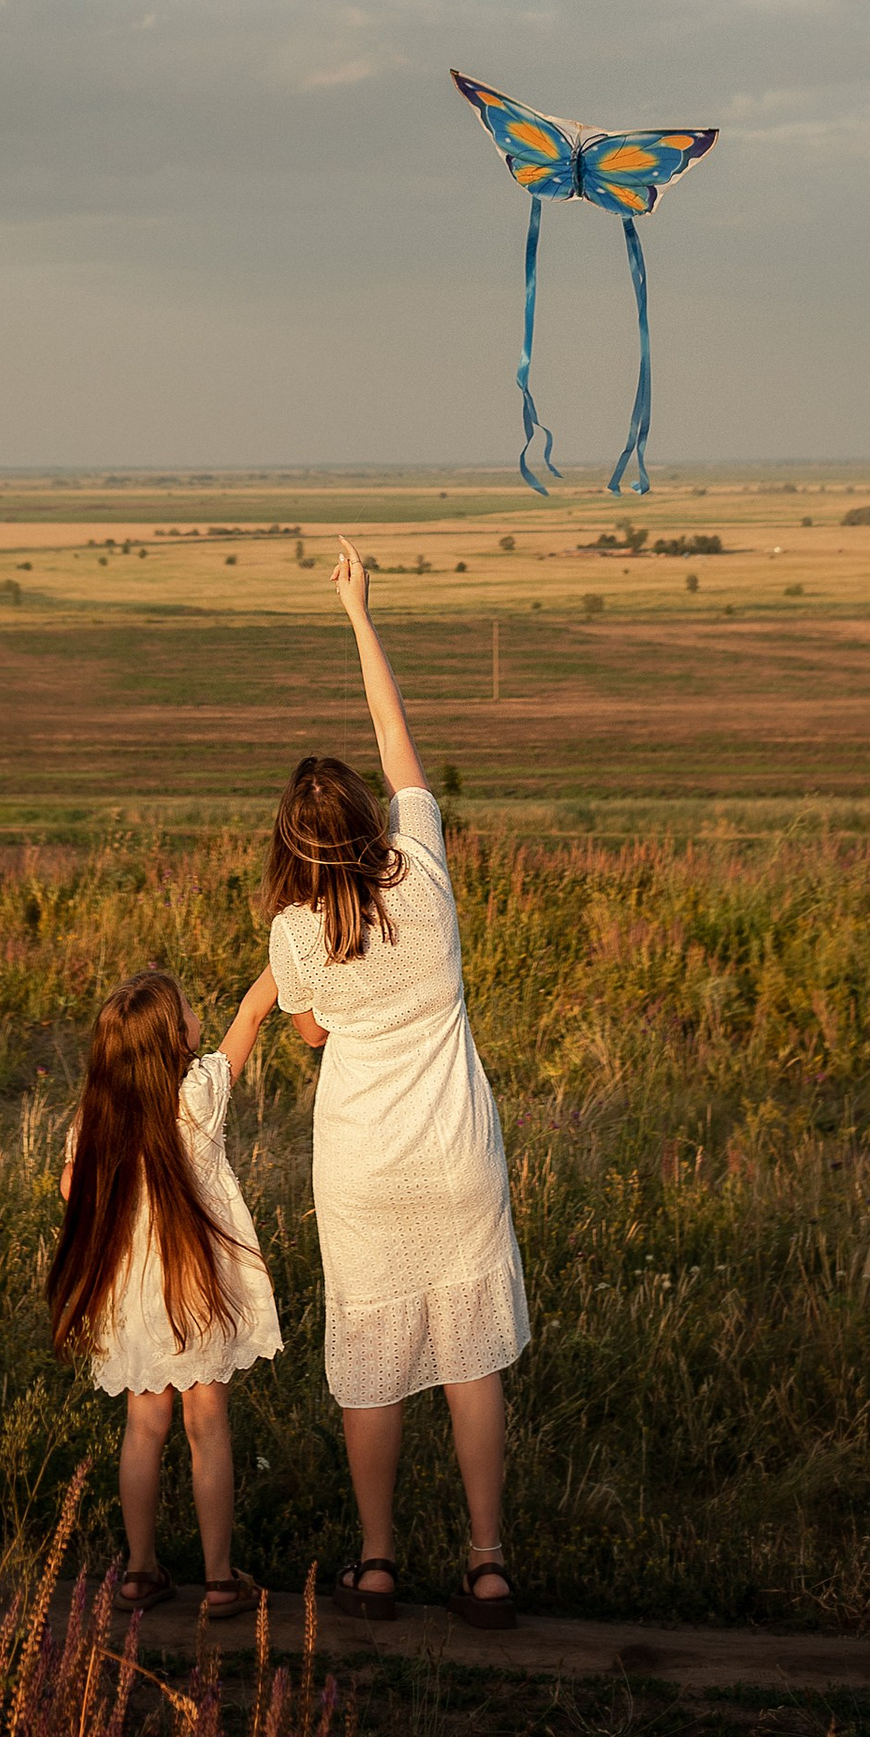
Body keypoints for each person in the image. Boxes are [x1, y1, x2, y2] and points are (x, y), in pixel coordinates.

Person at [268, 538, 527, 1629]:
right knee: (470, 1364)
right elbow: (398, 742)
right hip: (457, 1159)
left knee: (371, 1363)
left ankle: (375, 1563)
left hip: (365, 1174)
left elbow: (312, 1030)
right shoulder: (425, 871)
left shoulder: (295, 932)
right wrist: (359, 613)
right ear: (374, 824)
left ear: (290, 845)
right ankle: (485, 1561)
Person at [48, 961, 284, 1618]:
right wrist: (282, 952)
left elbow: (73, 1190)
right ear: (176, 1040)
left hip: (133, 1299)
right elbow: (251, 1015)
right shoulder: (199, 1093)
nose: (195, 1014)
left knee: (143, 1427)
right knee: (208, 1426)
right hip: (198, 1286)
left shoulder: (97, 1119)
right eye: (186, 1009)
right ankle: (218, 1579)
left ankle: (140, 1572)